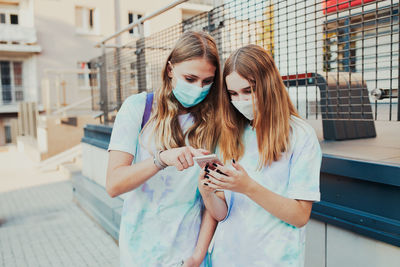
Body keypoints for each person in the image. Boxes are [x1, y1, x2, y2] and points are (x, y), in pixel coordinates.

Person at [198, 44, 322, 266]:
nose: (241, 100)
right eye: (233, 94)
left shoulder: (300, 135)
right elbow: (223, 213)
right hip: (226, 258)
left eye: (248, 90)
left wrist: (247, 187)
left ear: (268, 85)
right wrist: (207, 193)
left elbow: (300, 216)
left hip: (275, 259)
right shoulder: (231, 133)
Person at [106, 31, 221, 267]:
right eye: (190, 79)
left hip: (188, 254)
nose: (199, 88)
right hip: (140, 252)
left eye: (207, 81)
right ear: (170, 70)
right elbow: (114, 184)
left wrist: (198, 256)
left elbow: (213, 195)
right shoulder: (138, 108)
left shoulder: (215, 121)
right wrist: (161, 159)